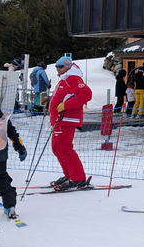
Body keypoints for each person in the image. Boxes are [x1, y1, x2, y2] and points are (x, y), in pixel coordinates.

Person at [48, 55, 92, 191]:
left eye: (60, 66)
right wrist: (49, 99)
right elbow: (63, 95)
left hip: (66, 120)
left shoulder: (74, 79)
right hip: (58, 119)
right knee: (57, 149)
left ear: (68, 66)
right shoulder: (65, 80)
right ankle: (69, 175)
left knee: (65, 149)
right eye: (56, 66)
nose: (57, 69)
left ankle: (78, 178)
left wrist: (66, 106)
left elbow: (86, 94)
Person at [0, 106, 28, 219]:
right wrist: (20, 148)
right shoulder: (3, 118)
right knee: (1, 179)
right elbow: (13, 135)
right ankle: (10, 206)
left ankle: (10, 207)